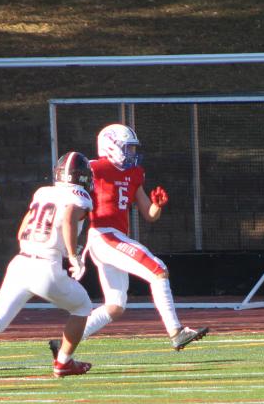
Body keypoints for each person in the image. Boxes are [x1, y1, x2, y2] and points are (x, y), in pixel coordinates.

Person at [0, 151, 96, 380]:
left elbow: (22, 228)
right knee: (83, 307)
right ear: (81, 177)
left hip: (21, 261)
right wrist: (73, 255)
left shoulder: (43, 192)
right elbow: (70, 216)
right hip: (47, 265)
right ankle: (63, 362)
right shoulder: (79, 195)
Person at [75, 123, 206, 351]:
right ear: (111, 147)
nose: (132, 153)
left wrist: (157, 205)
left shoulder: (135, 173)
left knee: (115, 306)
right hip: (103, 235)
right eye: (128, 148)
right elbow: (72, 198)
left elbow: (149, 214)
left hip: (113, 238)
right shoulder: (94, 168)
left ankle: (67, 341)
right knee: (158, 270)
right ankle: (175, 331)